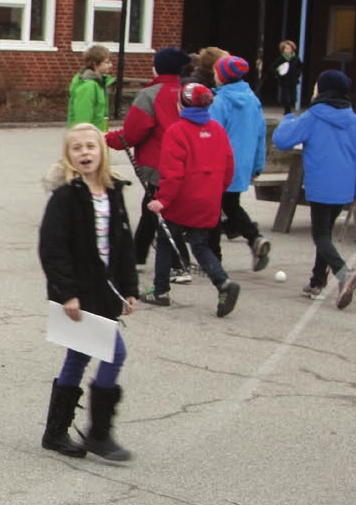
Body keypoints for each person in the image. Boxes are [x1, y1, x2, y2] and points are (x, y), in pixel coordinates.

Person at [38, 124, 139, 463]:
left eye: (90, 147)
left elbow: (124, 244)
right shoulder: (66, 196)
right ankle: (98, 432)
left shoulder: (113, 191)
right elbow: (52, 248)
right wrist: (66, 293)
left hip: (105, 290)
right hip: (78, 293)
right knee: (115, 353)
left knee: (79, 356)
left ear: (102, 151)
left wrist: (130, 288)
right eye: (77, 148)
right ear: (69, 156)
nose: (84, 153)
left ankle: (55, 432)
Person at [271, 69, 356, 306]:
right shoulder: (353, 119)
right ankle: (317, 281)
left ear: (323, 90)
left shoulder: (313, 116)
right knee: (325, 233)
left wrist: (288, 119)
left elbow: (282, 140)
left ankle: (343, 273)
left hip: (320, 186)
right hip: (344, 188)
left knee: (321, 235)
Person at [149, 83, 240, 316]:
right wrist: (216, 190)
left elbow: (172, 173)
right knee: (200, 244)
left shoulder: (177, 131)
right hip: (208, 199)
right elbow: (229, 166)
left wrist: (162, 199)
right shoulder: (218, 130)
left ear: (180, 104)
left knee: (165, 241)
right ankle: (223, 283)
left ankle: (160, 291)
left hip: (181, 200)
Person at [106, 47, 192, 290]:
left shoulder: (150, 95)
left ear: (158, 67)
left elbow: (134, 132)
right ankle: (138, 254)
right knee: (150, 208)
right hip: (185, 160)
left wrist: (110, 139)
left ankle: (179, 262)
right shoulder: (186, 92)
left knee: (161, 210)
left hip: (158, 161)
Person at [209, 55, 271, 273]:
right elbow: (261, 135)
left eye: (216, 71)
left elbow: (212, 135)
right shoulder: (253, 100)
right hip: (242, 164)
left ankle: (214, 258)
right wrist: (257, 165)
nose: (213, 75)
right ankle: (254, 238)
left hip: (219, 165)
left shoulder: (219, 102)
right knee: (231, 205)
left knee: (214, 210)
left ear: (223, 77)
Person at [66, 46, 114, 131]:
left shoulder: (100, 84)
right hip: (89, 137)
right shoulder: (88, 86)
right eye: (107, 62)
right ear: (95, 64)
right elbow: (82, 119)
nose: (111, 65)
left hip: (97, 136)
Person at [273, 40, 304, 114]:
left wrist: (297, 74)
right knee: (286, 97)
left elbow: (301, 67)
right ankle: (287, 110)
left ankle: (290, 105)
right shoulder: (281, 59)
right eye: (286, 48)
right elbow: (273, 67)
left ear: (292, 49)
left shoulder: (296, 59)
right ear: (283, 50)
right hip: (285, 80)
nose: (288, 50)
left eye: (289, 48)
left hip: (293, 80)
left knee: (293, 97)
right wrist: (278, 73)